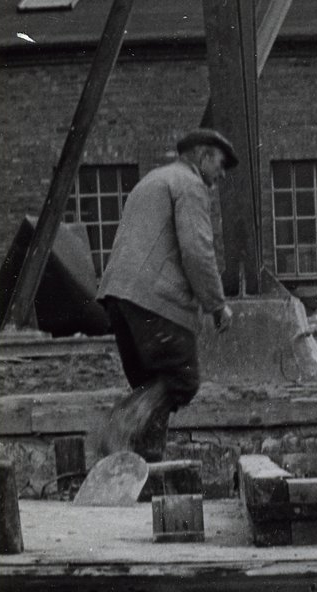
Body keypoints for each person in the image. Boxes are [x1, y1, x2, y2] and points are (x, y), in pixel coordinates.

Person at [94, 129, 237, 460]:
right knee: (181, 380)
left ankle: (148, 464)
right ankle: (119, 423)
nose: (222, 172)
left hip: (120, 296)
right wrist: (217, 305)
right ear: (202, 157)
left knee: (152, 387)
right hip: (156, 299)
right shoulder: (190, 186)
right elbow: (197, 251)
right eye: (220, 162)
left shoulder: (151, 181)